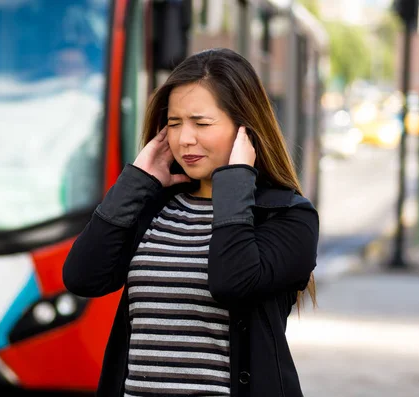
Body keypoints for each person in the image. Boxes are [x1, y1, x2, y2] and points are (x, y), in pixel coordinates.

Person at [62, 47, 319, 397]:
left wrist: (235, 180)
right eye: (173, 123)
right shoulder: (154, 207)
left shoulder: (289, 216)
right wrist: (136, 181)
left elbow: (231, 281)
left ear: (245, 129)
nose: (185, 138)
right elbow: (82, 277)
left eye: (201, 123)